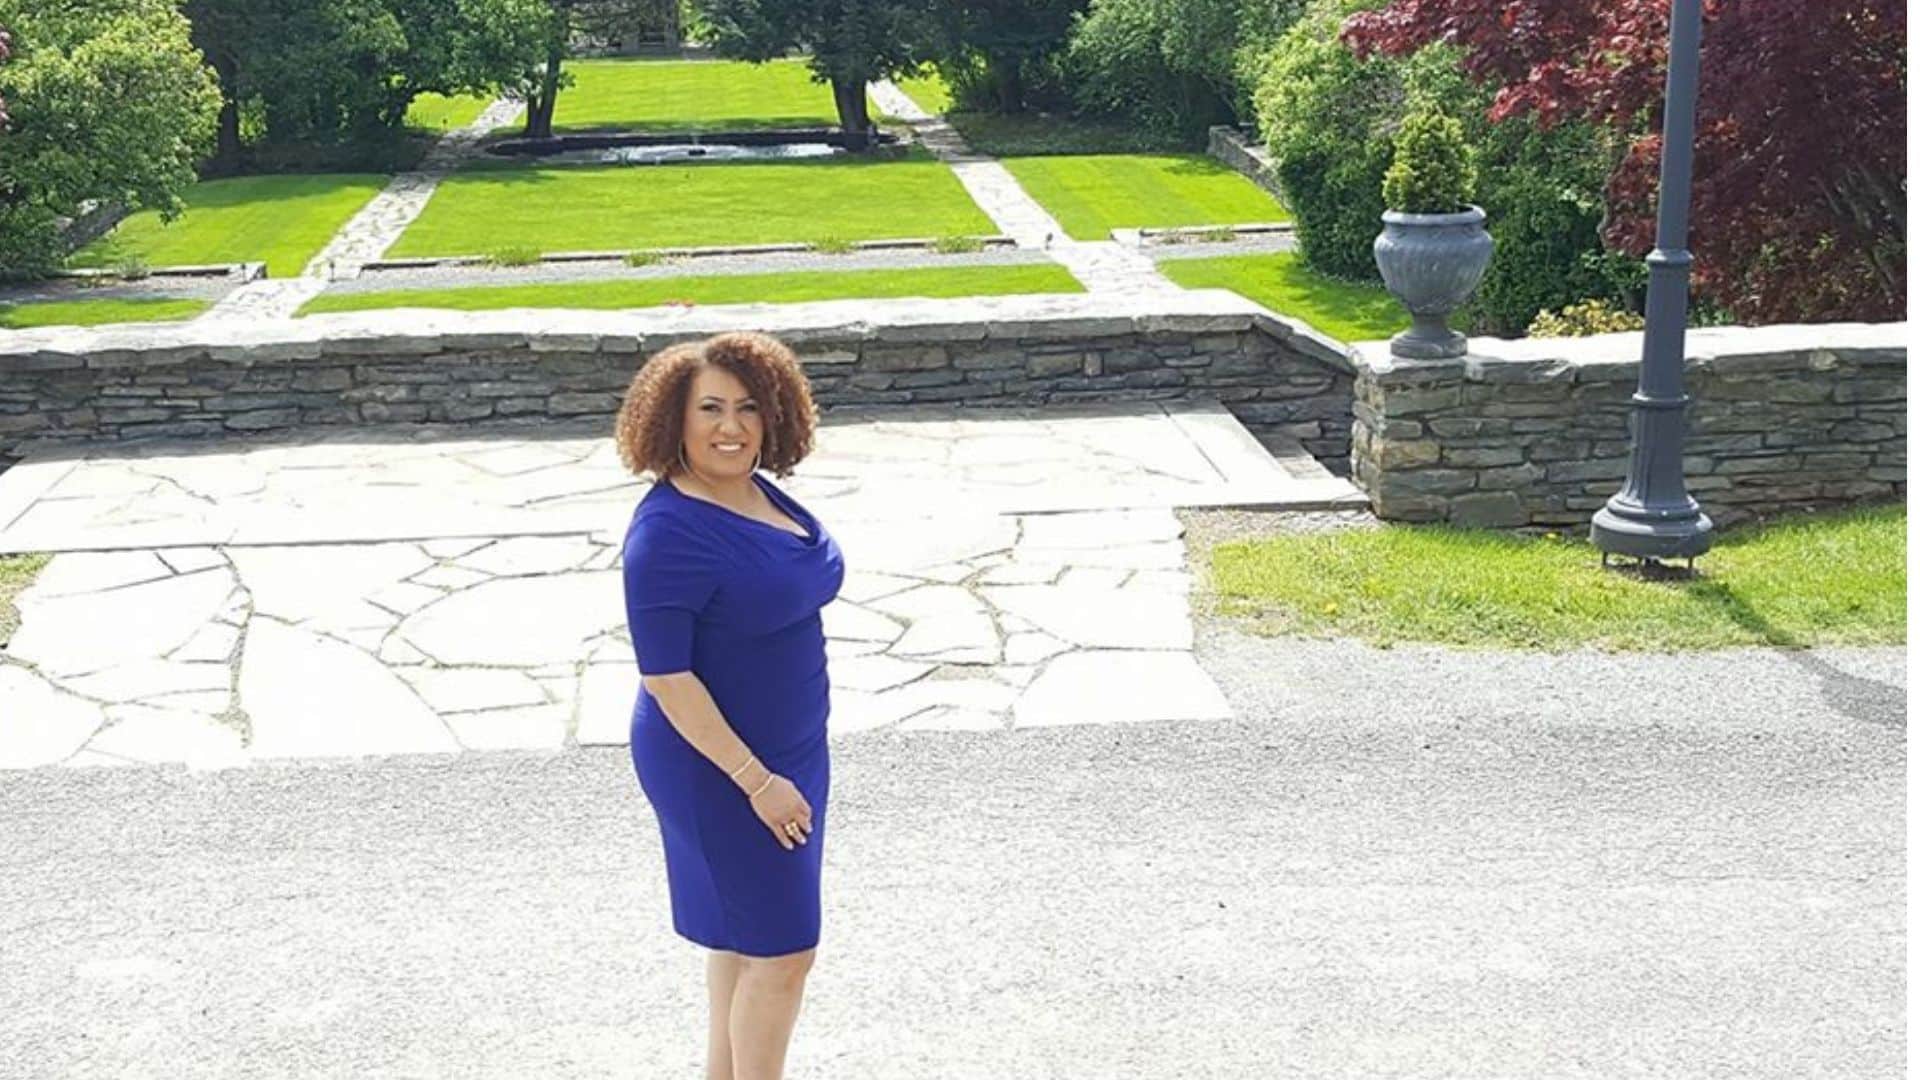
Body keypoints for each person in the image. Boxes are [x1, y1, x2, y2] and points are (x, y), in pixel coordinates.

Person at [614, 331, 845, 1080]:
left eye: (748, 407)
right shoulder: (667, 534)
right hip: (721, 768)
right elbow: (668, 681)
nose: (731, 426)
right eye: (709, 408)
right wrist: (758, 781)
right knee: (784, 953)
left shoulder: (751, 487)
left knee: (743, 940)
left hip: (790, 754)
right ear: (672, 420)